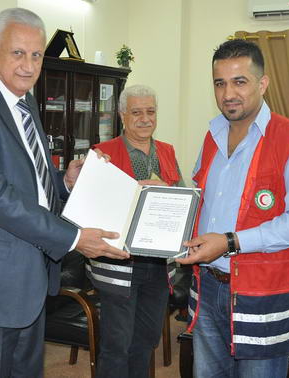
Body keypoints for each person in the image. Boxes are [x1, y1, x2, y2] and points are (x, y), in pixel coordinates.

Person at [0, 7, 129, 378]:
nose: (28, 66)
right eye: (18, 53)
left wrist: (64, 181)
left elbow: (29, 179)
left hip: (29, 280)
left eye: (36, 55)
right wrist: (74, 238)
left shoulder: (23, 101)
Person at [176, 39, 289, 377]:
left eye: (239, 81)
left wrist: (229, 242)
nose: (228, 93)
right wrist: (154, 194)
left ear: (262, 83)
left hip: (261, 292)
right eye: (220, 83)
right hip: (207, 283)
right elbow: (201, 199)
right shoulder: (212, 136)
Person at [88, 84, 185, 378]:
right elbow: (90, 211)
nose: (145, 119)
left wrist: (168, 191)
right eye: (137, 112)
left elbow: (182, 201)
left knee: (145, 341)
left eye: (151, 111)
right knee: (117, 346)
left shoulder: (167, 151)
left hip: (158, 266)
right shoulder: (102, 154)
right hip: (118, 265)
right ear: (122, 115)